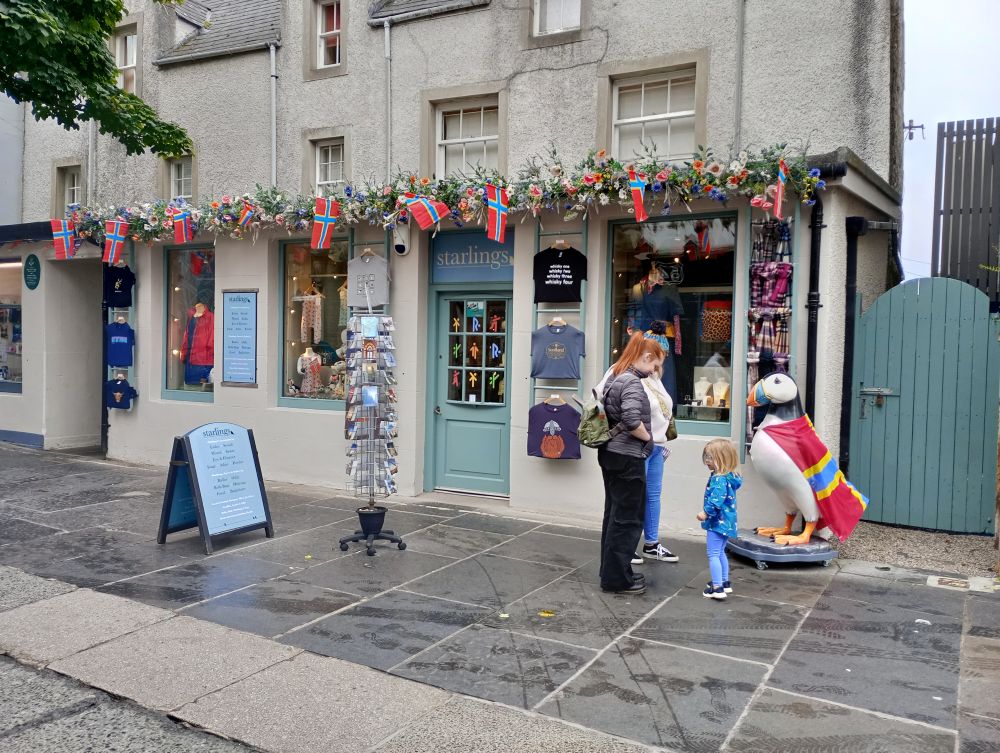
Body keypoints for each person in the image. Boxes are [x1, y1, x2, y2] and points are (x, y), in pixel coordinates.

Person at [596, 332, 665, 595]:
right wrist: (649, 439)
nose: (654, 371)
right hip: (627, 458)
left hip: (611, 454)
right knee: (627, 520)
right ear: (646, 357)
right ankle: (617, 580)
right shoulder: (633, 383)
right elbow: (633, 420)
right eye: (655, 364)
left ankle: (611, 572)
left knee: (612, 516)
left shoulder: (615, 378)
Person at [696, 438, 742, 600]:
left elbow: (716, 501)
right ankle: (724, 582)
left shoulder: (719, 479)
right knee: (720, 551)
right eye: (706, 457)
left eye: (711, 457)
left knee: (713, 554)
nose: (707, 461)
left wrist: (705, 513)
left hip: (718, 522)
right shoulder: (730, 477)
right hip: (728, 522)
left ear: (723, 459)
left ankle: (717, 588)